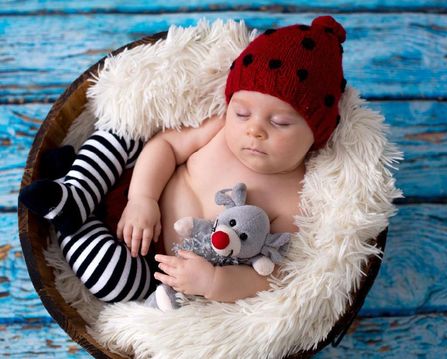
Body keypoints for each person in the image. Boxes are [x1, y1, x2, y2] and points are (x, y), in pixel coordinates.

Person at [19, 15, 347, 304]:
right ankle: (79, 188)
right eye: (243, 112)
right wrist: (142, 198)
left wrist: (213, 282)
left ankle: (72, 220)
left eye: (280, 123)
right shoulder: (219, 130)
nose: (254, 130)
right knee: (122, 131)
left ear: (316, 133)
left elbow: (268, 274)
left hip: (157, 269)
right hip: (132, 195)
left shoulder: (294, 196)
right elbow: (165, 147)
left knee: (112, 283)